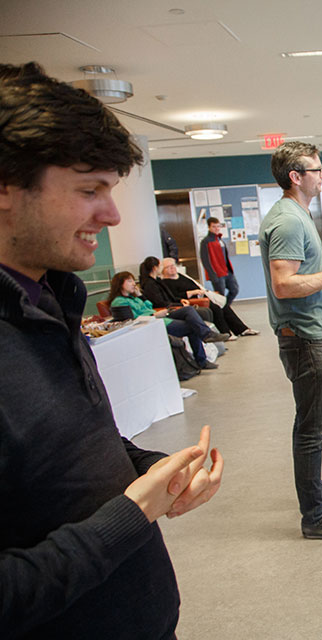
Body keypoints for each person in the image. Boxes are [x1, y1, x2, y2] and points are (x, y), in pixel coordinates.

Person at [0, 61, 222, 638]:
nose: (113, 213)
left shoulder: (51, 299)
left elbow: (65, 450)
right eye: (88, 189)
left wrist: (152, 471)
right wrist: (132, 514)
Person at [260, 141, 322, 540]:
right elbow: (284, 284)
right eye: (316, 169)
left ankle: (316, 491)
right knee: (312, 429)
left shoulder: (296, 214)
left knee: (313, 426)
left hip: (310, 333)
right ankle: (312, 516)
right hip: (305, 339)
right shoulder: (290, 221)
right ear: (296, 177)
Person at [107, 271, 221, 370]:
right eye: (129, 281)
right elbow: (131, 321)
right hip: (153, 322)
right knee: (192, 327)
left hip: (158, 317)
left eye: (133, 281)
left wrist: (140, 295)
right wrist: (155, 316)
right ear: (120, 284)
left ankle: (206, 335)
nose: (133, 284)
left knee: (189, 310)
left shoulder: (133, 298)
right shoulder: (119, 302)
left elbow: (148, 306)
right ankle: (203, 356)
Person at [159, 257, 259, 337]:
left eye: (173, 265)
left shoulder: (181, 276)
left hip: (201, 295)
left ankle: (242, 329)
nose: (172, 268)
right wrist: (190, 293)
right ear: (163, 270)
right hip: (192, 300)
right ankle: (225, 332)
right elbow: (173, 297)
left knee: (224, 305)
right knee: (215, 308)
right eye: (168, 267)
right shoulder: (165, 283)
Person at [200, 216, 239, 306]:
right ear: (209, 227)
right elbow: (205, 260)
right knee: (220, 296)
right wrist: (212, 274)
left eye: (218, 226)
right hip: (217, 274)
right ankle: (222, 312)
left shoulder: (219, 239)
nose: (217, 228)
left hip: (227, 272)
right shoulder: (205, 241)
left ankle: (225, 308)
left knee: (234, 290)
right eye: (214, 226)